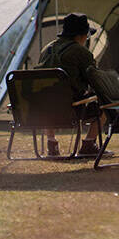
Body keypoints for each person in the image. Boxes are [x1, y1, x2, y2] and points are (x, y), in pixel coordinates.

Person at [37, 12, 101, 157]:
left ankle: (51, 143)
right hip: (71, 110)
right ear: (81, 35)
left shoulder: (47, 49)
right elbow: (96, 80)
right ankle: (89, 144)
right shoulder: (80, 51)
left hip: (43, 110)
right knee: (104, 102)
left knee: (49, 96)